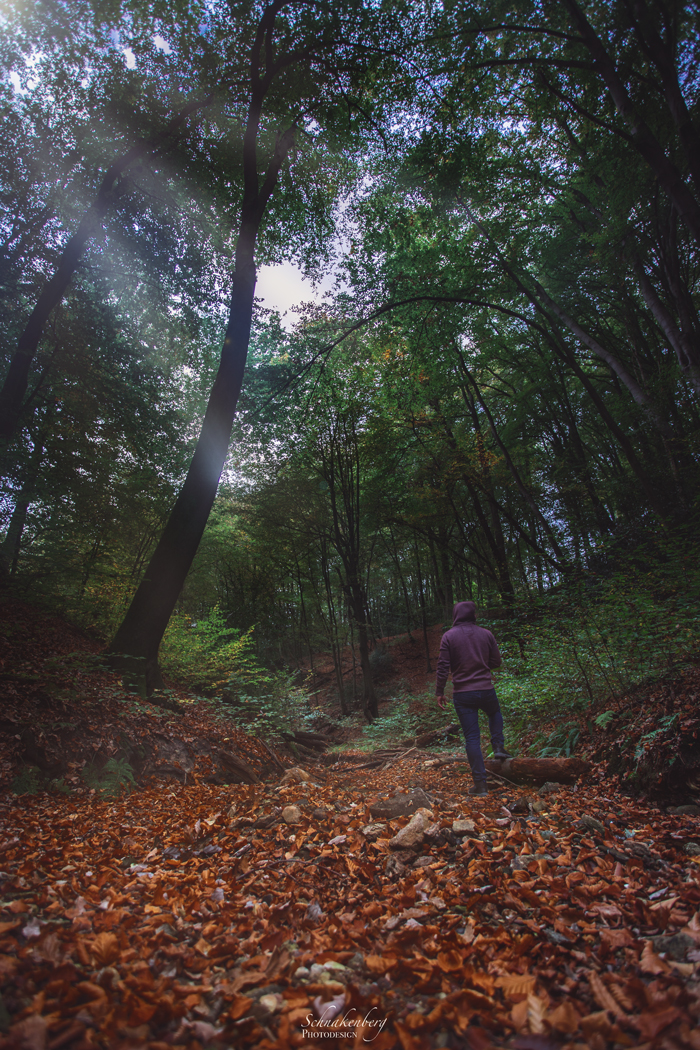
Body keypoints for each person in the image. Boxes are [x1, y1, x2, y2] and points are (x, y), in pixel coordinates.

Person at [435, 600, 511, 796]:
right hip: (486, 689)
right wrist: (481, 664)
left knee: (472, 738)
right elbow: (496, 662)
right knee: (494, 712)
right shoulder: (486, 634)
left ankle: (481, 785)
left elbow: (443, 666)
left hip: (463, 693)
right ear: (473, 615)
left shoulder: (448, 636)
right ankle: (499, 745)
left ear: (456, 615)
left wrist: (439, 692)